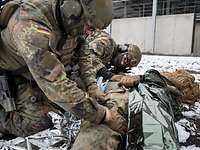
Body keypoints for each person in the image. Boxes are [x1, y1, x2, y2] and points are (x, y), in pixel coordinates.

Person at [0, 0, 127, 138]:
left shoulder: (71, 21)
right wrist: (104, 116)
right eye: (89, 27)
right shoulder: (30, 26)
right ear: (72, 8)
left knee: (76, 100)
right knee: (41, 122)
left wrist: (92, 86)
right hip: (14, 75)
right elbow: (55, 84)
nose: (89, 33)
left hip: (38, 72)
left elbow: (83, 54)